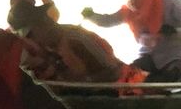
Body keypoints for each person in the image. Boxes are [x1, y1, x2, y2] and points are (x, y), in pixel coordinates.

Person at [82, 0, 181, 82]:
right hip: (147, 58)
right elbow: (108, 21)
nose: (134, 1)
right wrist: (91, 16)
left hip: (175, 58)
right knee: (128, 76)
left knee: (168, 79)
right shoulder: (129, 11)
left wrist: (175, 31)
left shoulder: (172, 3)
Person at [12, 5, 144, 84]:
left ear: (44, 22)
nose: (31, 40)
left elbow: (112, 70)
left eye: (30, 35)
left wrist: (84, 82)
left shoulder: (76, 37)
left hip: (120, 89)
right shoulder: (44, 48)